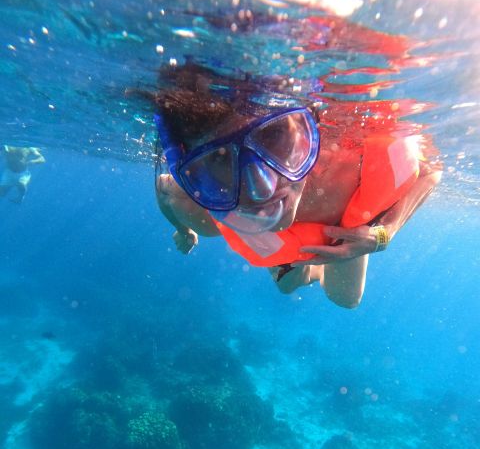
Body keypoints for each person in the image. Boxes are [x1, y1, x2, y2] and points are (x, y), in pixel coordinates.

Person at [145, 54, 441, 309]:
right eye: (221, 159)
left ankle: (313, 269)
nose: (264, 187)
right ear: (197, 173)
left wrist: (382, 233)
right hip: (289, 247)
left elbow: (430, 171)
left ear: (306, 129)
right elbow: (167, 188)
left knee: (346, 300)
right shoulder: (196, 196)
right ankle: (305, 270)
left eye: (274, 136)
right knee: (287, 285)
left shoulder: (351, 154)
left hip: (348, 227)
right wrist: (182, 228)